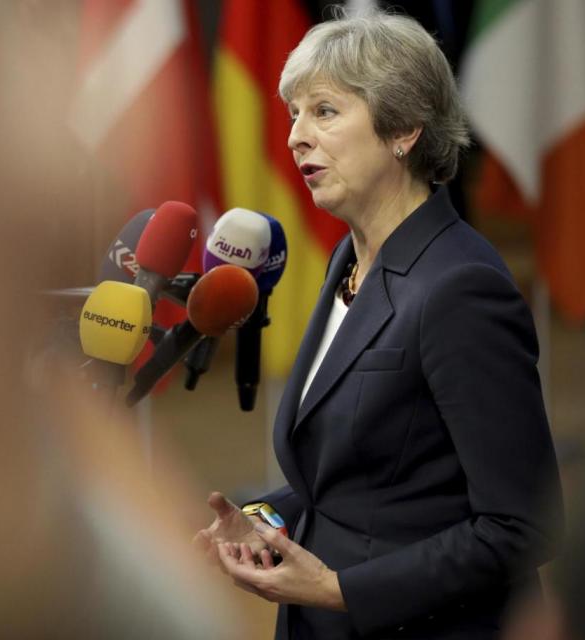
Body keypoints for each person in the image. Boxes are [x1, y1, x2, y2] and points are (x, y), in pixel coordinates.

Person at [194, 7, 563, 639]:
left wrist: (340, 590)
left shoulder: (460, 288)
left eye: (325, 111)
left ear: (405, 128)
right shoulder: (352, 257)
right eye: (293, 114)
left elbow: (521, 526)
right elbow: (360, 481)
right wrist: (265, 521)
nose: (295, 137)